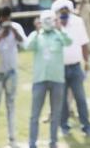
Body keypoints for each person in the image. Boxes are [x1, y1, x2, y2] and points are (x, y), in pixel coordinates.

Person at [26, 10, 72, 148]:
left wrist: (60, 28)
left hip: (57, 79)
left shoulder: (59, 35)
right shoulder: (36, 35)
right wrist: (37, 30)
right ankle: (32, 143)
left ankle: (53, 142)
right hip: (39, 79)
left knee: (56, 114)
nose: (47, 23)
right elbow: (28, 47)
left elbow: (69, 42)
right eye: (45, 20)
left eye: (49, 20)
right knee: (35, 114)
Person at [0, 6, 26, 148]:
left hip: (11, 72)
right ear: (0, 17)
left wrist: (12, 30)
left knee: (11, 106)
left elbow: (24, 43)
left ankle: (12, 139)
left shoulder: (16, 27)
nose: (7, 20)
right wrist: (1, 34)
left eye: (9, 18)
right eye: (4, 18)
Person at [53, 0, 90, 138]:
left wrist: (87, 63)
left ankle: (86, 127)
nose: (63, 16)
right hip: (59, 68)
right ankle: (64, 126)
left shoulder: (77, 22)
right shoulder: (53, 24)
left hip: (76, 66)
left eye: (66, 13)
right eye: (61, 13)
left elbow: (84, 43)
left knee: (80, 98)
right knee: (62, 99)